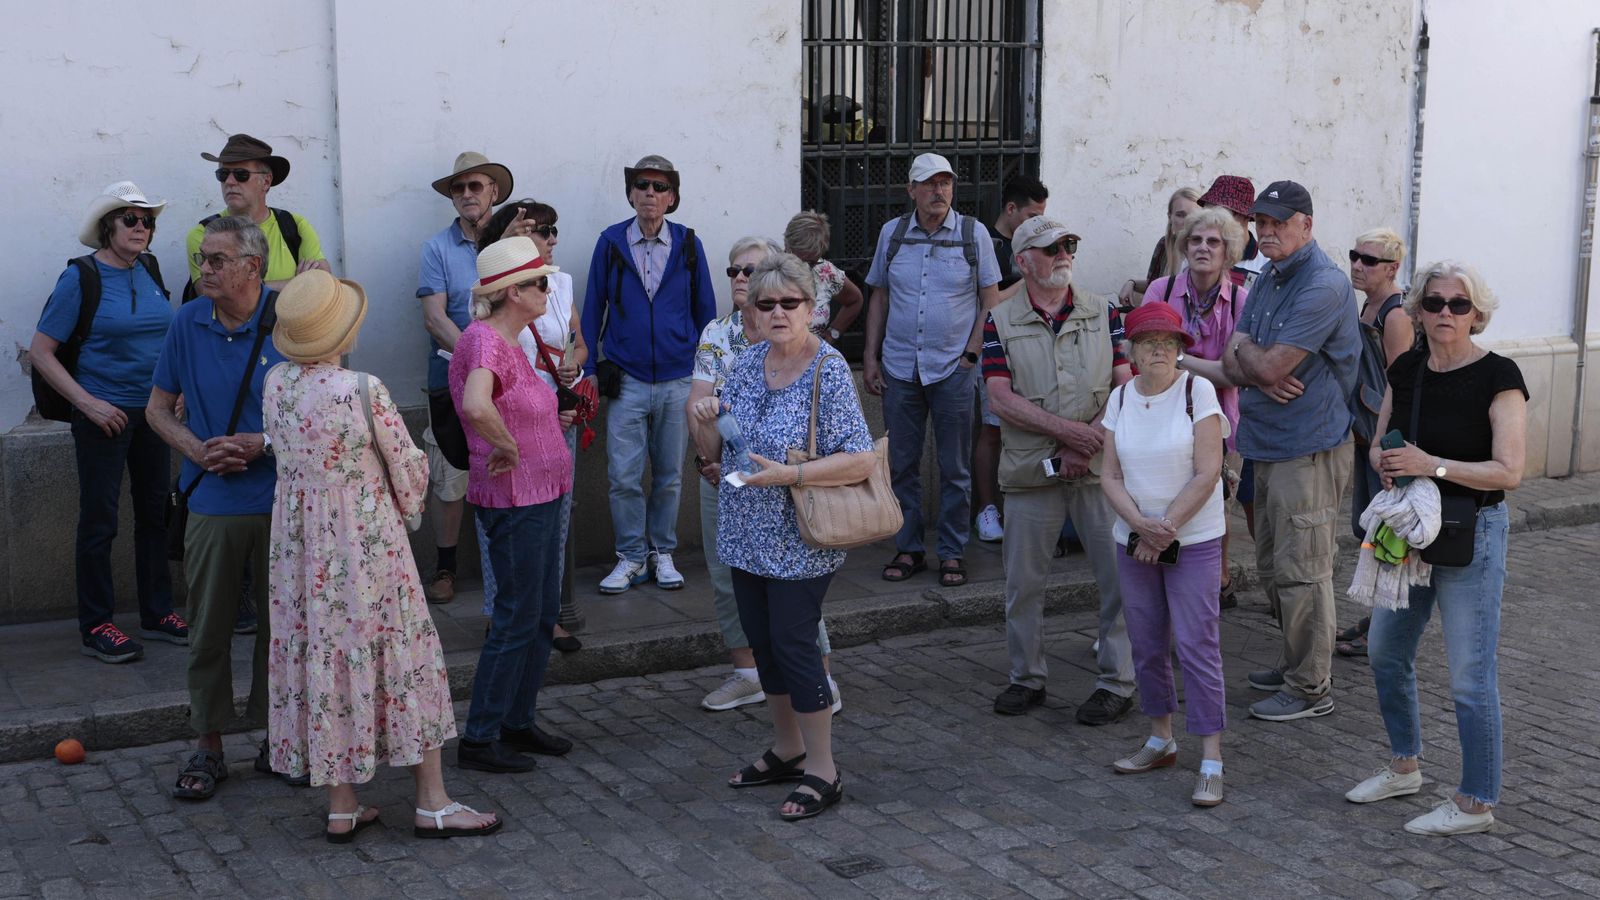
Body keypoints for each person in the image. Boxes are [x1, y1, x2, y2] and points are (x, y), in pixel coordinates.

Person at [263, 270, 500, 842]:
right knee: (403, 655)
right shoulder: (362, 389)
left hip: (300, 550)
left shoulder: (275, 383)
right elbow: (408, 466)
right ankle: (432, 802)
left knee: (324, 654)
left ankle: (341, 804)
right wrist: (404, 496)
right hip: (364, 548)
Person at [689, 253, 876, 821]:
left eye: (788, 303)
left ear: (811, 307)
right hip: (745, 530)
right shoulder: (747, 362)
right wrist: (704, 421)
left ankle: (823, 768)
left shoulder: (828, 368)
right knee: (764, 642)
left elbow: (861, 458)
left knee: (795, 646)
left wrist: (791, 474)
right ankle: (788, 747)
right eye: (764, 303)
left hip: (800, 535)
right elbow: (722, 450)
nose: (776, 312)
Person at [1345, 260, 1526, 836]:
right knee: (1384, 651)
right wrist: (1387, 462)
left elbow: (1510, 471)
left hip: (1473, 533)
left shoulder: (1499, 375)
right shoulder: (1407, 369)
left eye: (1458, 304)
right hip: (1409, 530)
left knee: (1471, 675)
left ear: (1477, 314)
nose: (1445, 313)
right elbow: (1379, 442)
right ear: (1418, 310)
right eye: (1434, 302)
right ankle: (1405, 766)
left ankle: (1476, 801)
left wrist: (1433, 465)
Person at [147, 217, 285, 800]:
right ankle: (208, 744)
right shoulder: (187, 321)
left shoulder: (290, 319)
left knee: (284, 631)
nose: (204, 269)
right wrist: (197, 451)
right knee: (207, 630)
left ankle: (281, 739)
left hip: (283, 502)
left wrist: (264, 443)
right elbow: (157, 409)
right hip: (211, 500)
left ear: (253, 267)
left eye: (217, 260)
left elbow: (325, 411)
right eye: (203, 258)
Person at [983, 216, 1135, 724]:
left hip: (1100, 469)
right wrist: (1070, 435)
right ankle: (1026, 677)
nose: (1064, 253)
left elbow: (1124, 386)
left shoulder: (1104, 311)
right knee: (1022, 585)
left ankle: (1117, 682)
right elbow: (1000, 397)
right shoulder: (998, 320)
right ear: (1023, 261)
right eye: (1051, 248)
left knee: (1118, 581)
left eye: (1069, 244)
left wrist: (1086, 441)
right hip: (1030, 472)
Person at [1221, 180, 1360, 722]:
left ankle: (1311, 687)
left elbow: (1266, 364)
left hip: (1309, 447)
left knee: (1304, 570)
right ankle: (1294, 662)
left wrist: (1254, 360)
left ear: (1307, 225)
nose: (1267, 230)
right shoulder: (1269, 276)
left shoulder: (1324, 283)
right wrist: (1252, 360)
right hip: (1267, 442)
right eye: (1261, 222)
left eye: (1279, 222)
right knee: (1273, 565)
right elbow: (1234, 357)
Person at [31, 181, 186, 663]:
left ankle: (157, 612)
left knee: (155, 514)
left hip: (153, 413)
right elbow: (41, 351)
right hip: (103, 417)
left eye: (148, 221)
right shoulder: (80, 277)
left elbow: (164, 339)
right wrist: (89, 404)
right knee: (100, 521)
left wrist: (177, 390)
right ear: (107, 227)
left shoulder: (150, 269)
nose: (141, 228)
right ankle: (96, 624)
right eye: (130, 219)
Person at [689, 238, 841, 714]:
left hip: (793, 501)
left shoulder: (816, 355)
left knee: (793, 610)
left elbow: (857, 453)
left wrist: (791, 473)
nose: (742, 278)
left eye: (751, 270)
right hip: (733, 489)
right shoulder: (725, 340)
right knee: (736, 589)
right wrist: (709, 455)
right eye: (735, 271)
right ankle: (752, 680)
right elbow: (702, 411)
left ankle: (819, 683)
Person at [451, 237, 576, 774]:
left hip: (543, 493)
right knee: (516, 616)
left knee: (541, 613)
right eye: (540, 282)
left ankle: (516, 722)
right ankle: (480, 737)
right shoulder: (485, 341)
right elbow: (477, 405)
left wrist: (548, 419)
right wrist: (506, 446)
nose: (549, 290)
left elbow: (510, 404)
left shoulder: (510, 339)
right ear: (512, 292)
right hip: (515, 499)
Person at [1099, 302, 1230, 807]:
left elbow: (1208, 471)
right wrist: (1139, 525)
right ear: (1131, 352)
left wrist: (1165, 527)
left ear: (1180, 350)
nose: (1159, 349)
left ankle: (1211, 758)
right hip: (1134, 539)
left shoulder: (1198, 391)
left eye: (1169, 341)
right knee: (1147, 641)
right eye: (1148, 341)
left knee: (1198, 644)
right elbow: (1109, 474)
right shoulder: (1120, 397)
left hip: (1191, 540)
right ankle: (1160, 739)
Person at [863, 152, 1002, 588]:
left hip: (953, 369)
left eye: (945, 182)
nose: (939, 191)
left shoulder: (973, 233)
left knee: (955, 467)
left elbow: (990, 301)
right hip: (900, 367)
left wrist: (971, 356)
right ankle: (909, 548)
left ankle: (951, 550)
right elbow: (879, 296)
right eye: (929, 183)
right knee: (901, 465)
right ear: (911, 190)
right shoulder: (893, 233)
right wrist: (871, 356)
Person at [581, 154, 716, 594]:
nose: (650, 194)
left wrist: (707, 374)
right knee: (623, 476)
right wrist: (588, 368)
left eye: (660, 187)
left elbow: (706, 312)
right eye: (642, 185)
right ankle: (630, 556)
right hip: (628, 378)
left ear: (672, 197)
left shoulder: (689, 244)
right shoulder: (610, 242)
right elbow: (592, 307)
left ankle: (662, 552)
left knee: (669, 475)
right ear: (631, 193)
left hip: (678, 379)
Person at [476, 199, 586, 652]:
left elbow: (577, 342)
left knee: (555, 519)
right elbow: (477, 324)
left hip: (558, 411)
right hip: (509, 418)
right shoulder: (495, 293)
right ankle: (500, 613)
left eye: (553, 229)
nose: (551, 238)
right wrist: (502, 244)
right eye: (541, 230)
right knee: (506, 518)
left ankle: (548, 615)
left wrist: (573, 367)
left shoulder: (560, 282)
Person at [416, 151, 514, 606]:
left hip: (508, 382)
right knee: (450, 478)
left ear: (494, 191)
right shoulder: (436, 248)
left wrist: (495, 366)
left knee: (505, 470)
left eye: (476, 185)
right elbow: (434, 318)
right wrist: (479, 360)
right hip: (452, 378)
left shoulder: (512, 244)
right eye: (459, 188)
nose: (467, 194)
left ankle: (508, 570)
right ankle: (445, 567)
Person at [1145, 207, 1248, 608]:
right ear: (1184, 246)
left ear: (1228, 251)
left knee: (1216, 508)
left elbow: (1233, 374)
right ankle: (1166, 584)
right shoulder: (1161, 290)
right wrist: (1206, 366)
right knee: (1163, 502)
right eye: (1196, 240)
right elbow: (1147, 358)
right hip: (1162, 418)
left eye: (1213, 242)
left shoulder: (1241, 300)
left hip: (1220, 423)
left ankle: (1213, 584)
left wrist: (1176, 358)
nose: (1203, 248)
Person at [1337, 227, 1414, 658]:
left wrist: (1387, 448)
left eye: (1368, 260)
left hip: (1383, 441)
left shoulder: (1395, 316)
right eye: (1355, 256)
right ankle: (1376, 619)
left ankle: (1384, 626)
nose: (1357, 265)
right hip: (1364, 434)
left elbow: (1398, 387)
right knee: (1367, 528)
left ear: (1392, 268)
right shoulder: (1368, 304)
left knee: (1385, 534)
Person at [975, 175, 1050, 544]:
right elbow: (988, 303)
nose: (1037, 224)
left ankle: (1024, 506)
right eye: (1032, 216)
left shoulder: (1039, 244)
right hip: (993, 346)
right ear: (1010, 209)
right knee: (992, 431)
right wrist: (1029, 279)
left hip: (1031, 345)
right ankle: (987, 509)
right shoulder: (985, 243)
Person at [185, 133, 330, 292]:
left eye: (241, 174)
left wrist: (248, 288)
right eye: (223, 174)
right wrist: (297, 284)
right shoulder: (204, 233)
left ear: (266, 181)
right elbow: (212, 292)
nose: (229, 181)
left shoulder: (294, 226)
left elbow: (322, 284)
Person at [782, 211, 863, 342]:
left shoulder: (825, 271)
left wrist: (833, 333)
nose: (804, 267)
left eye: (811, 262)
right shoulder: (769, 272)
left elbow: (855, 300)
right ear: (787, 245)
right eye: (798, 260)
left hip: (813, 352)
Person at [1118, 187, 1200, 307]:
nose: (1187, 221)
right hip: (1165, 315)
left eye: (1193, 216)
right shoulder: (1164, 246)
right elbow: (1154, 284)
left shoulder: (1207, 250)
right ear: (1170, 217)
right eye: (1180, 215)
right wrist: (1132, 283)